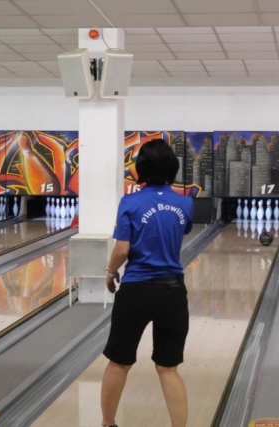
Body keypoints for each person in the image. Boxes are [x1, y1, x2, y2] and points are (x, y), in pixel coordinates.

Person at [101, 139, 194, 427]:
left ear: (140, 168)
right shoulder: (185, 203)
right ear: (172, 168)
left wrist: (110, 272)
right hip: (172, 291)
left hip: (136, 291)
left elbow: (122, 250)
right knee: (168, 368)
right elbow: (180, 229)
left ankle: (108, 423)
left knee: (119, 362)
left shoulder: (130, 203)